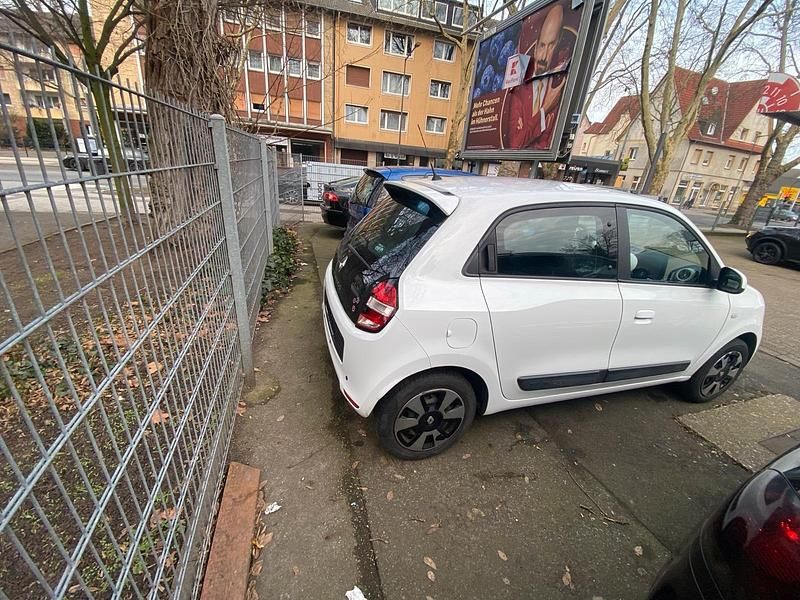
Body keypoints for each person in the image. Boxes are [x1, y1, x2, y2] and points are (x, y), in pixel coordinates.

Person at [505, 3, 568, 150]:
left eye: (551, 45)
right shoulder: (518, 89)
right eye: (542, 45)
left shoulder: (560, 86)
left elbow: (545, 144)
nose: (544, 56)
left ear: (558, 46)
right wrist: (544, 110)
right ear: (535, 47)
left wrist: (527, 131)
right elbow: (515, 143)